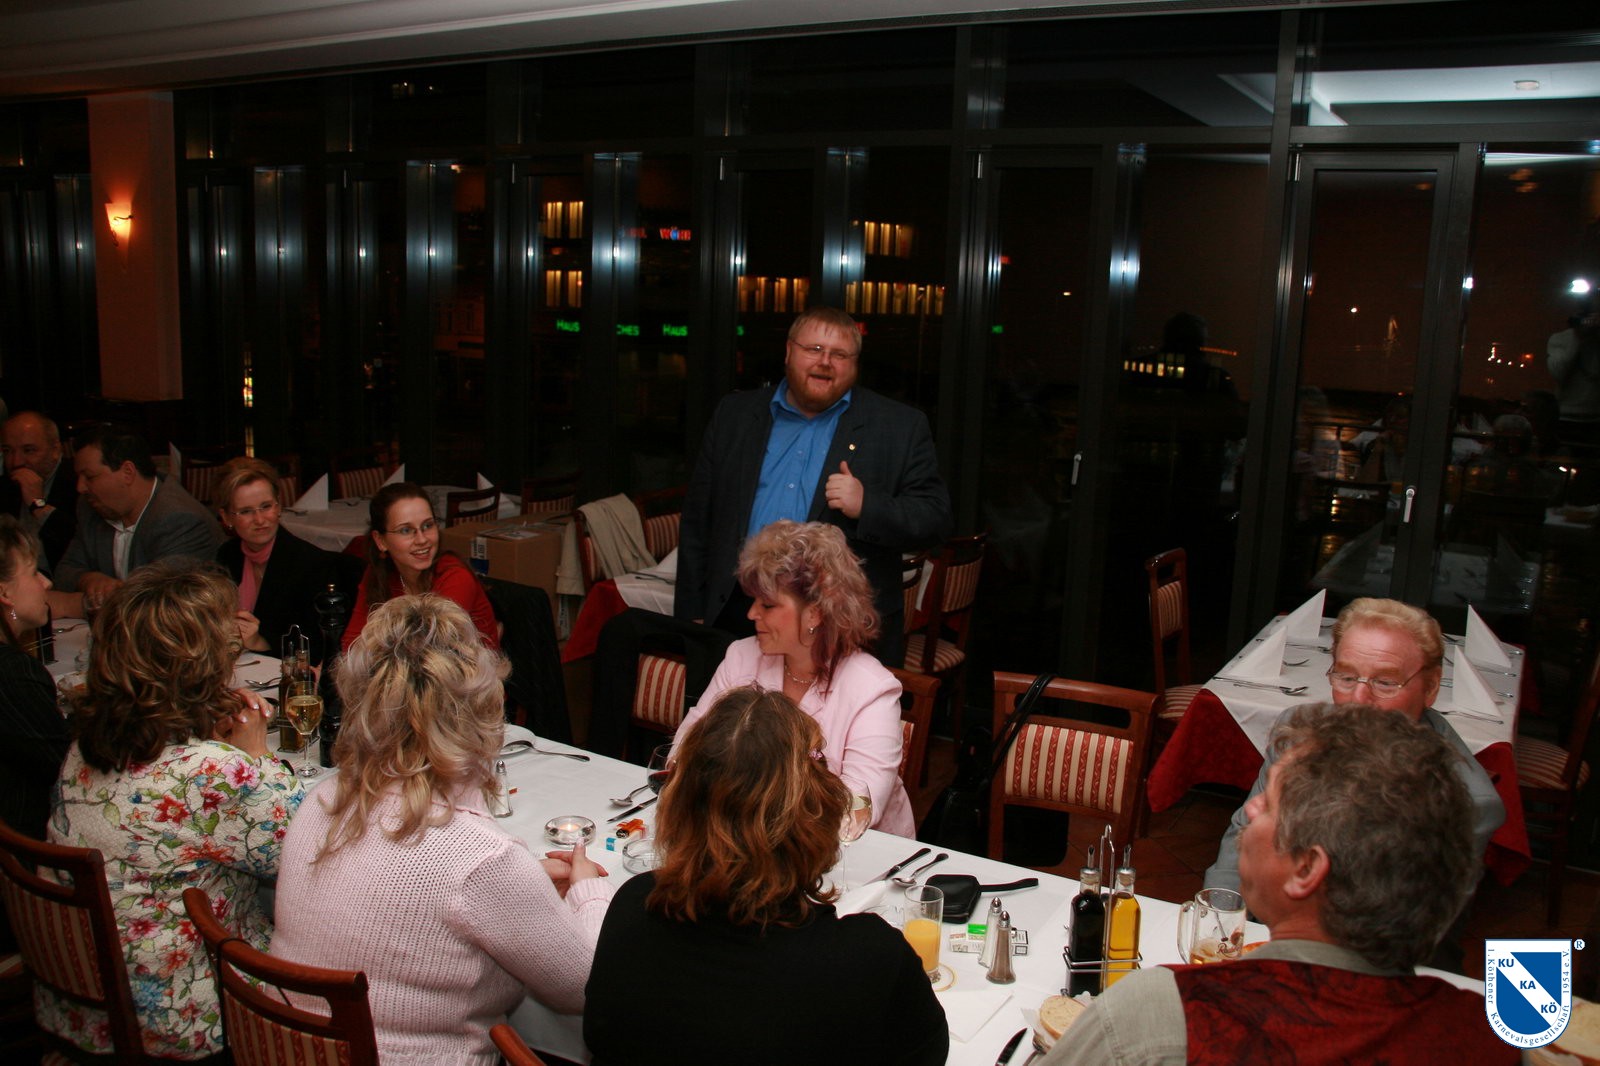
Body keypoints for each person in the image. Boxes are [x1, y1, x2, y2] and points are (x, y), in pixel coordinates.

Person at [1047, 702, 1516, 1064]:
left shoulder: (1162, 1015)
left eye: (1269, 804)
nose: (1249, 810)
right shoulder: (1490, 1038)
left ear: (1306, 871)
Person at [272, 594, 613, 1064]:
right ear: (481, 713)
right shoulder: (480, 859)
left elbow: (404, 891)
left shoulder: (321, 800)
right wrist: (590, 893)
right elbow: (584, 988)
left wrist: (524, 884)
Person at [586, 685, 947, 1066]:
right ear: (819, 812)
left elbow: (599, 1036)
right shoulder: (867, 959)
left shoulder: (633, 906)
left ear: (679, 803)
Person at [45, 560, 297, 1061]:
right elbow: (303, 855)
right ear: (200, 665)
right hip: (182, 1014)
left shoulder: (85, 745)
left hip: (85, 997)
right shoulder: (211, 773)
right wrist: (256, 755)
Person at [675, 307, 951, 664]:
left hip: (838, 624)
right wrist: (693, 612)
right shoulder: (735, 415)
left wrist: (867, 506)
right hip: (738, 610)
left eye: (840, 354)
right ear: (789, 352)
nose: (825, 362)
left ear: (855, 364)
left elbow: (934, 519)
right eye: (814, 349)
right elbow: (699, 519)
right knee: (730, 702)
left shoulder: (899, 426)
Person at [1205, 597, 1505, 892]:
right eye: (1347, 677)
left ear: (1431, 687)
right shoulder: (1296, 733)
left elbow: (1404, 914)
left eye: (1385, 682)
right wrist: (1221, 910)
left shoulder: (1466, 802)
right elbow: (1244, 835)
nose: (1358, 700)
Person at [674, 520, 914, 835]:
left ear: (815, 613)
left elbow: (856, 810)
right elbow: (685, 749)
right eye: (753, 601)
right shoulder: (742, 657)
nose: (751, 614)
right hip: (748, 838)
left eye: (768, 604)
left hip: (851, 855)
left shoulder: (871, 689)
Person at [51, 425, 223, 615]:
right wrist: (89, 579)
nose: (80, 487)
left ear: (128, 472)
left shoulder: (180, 520)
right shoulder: (90, 507)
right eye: (79, 477)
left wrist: (79, 604)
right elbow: (64, 572)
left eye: (89, 477)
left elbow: (158, 604)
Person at [340, 481, 498, 652]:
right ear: (380, 540)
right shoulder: (380, 573)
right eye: (406, 530)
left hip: (465, 668)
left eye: (427, 525)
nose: (422, 539)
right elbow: (351, 644)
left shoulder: (455, 577)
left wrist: (376, 648)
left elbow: (429, 652)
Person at [213, 457, 344, 663]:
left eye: (266, 506)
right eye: (246, 511)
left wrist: (262, 642)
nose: (259, 520)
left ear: (279, 506)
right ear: (226, 517)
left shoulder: (312, 564)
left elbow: (318, 647)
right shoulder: (227, 556)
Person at [0, 516, 67, 843]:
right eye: (32, 572)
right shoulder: (12, 674)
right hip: (25, 849)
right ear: (4, 592)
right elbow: (66, 768)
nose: (46, 583)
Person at [2, 411, 77, 571]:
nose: (16, 462)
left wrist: (38, 504)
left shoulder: (79, 483)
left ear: (55, 450)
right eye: (8, 451)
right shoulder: (6, 486)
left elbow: (77, 547)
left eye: (28, 450)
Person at [1548, 295, 1600, 448]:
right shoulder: (1560, 339)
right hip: (1566, 417)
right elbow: (1558, 372)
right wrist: (1578, 339)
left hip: (1595, 418)